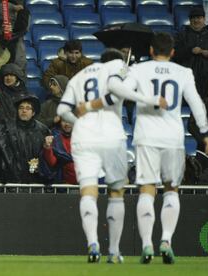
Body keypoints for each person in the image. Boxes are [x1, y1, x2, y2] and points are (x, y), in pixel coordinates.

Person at [74, 34, 208, 264]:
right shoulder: (183, 72)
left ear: (151, 50)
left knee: (147, 190)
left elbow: (116, 89)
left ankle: (147, 243)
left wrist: (137, 91)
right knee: (171, 189)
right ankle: (166, 240)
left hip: (146, 137)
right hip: (173, 138)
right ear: (172, 52)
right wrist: (206, 134)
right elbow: (197, 104)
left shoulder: (138, 70)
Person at [57, 48, 168, 263]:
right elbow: (117, 90)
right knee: (116, 193)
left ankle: (92, 243)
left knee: (88, 191)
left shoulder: (79, 76)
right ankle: (115, 251)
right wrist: (147, 99)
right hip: (111, 136)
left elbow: (62, 110)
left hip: (83, 138)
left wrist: (80, 121)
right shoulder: (116, 67)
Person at [0, 94, 51, 183]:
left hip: (36, 181)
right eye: (21, 108)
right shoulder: (7, 127)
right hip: (11, 180)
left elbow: (47, 157)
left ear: (33, 113)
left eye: (28, 108)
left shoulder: (42, 130)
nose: (24, 110)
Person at [174, 6, 208, 99]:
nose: (196, 20)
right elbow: (174, 55)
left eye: (199, 18)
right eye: (193, 18)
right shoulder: (181, 36)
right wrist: (190, 51)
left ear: (204, 19)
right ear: (189, 20)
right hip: (187, 81)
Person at [40, 118, 76, 184]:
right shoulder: (54, 139)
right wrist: (48, 148)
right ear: (60, 123)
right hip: (62, 184)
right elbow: (52, 163)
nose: (67, 124)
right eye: (64, 121)